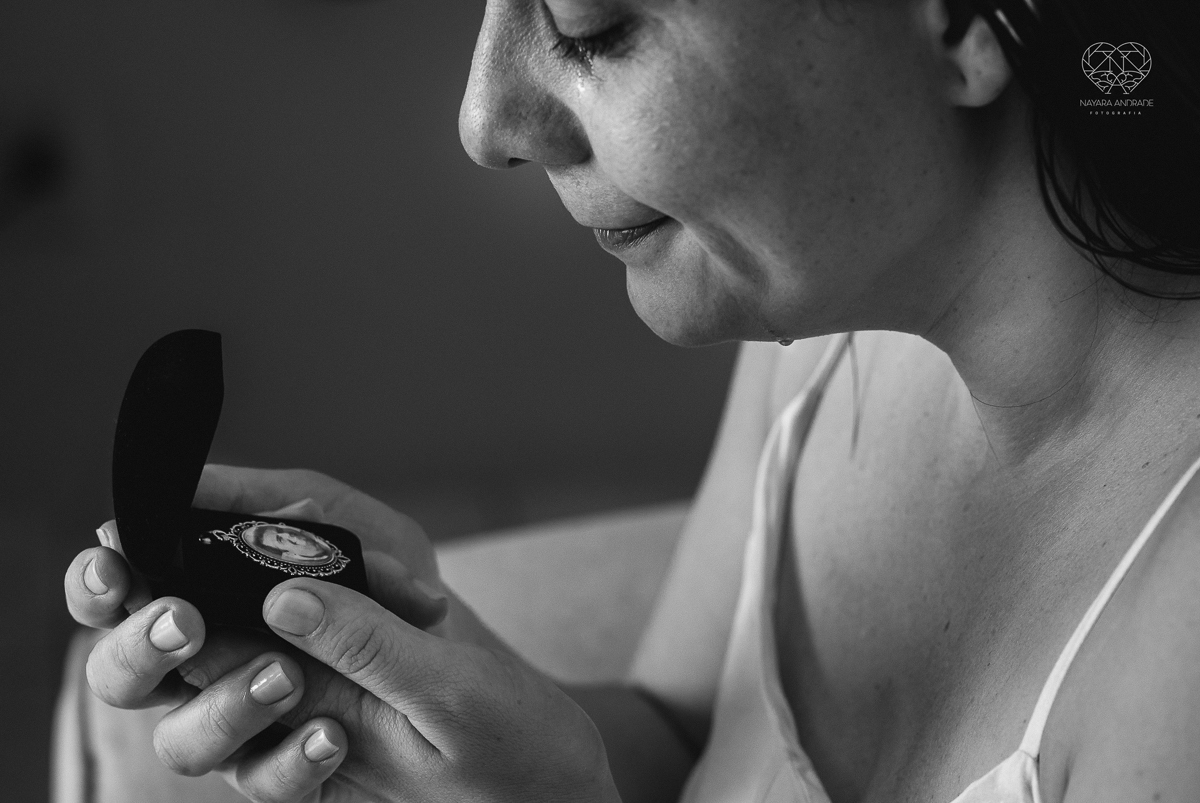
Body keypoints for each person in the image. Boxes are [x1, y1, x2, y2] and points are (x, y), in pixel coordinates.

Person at [63, 1, 1200, 801]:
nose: (483, 120)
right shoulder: (829, 332)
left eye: (590, 25)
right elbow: (688, 735)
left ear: (961, 19)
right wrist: (451, 692)